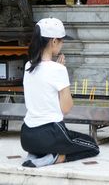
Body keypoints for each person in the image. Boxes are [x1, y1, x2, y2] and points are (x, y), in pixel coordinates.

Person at [20, 17, 99, 167]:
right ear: (54, 41)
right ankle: (55, 158)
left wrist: (58, 71)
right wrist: (62, 75)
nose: (62, 44)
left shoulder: (28, 66)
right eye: (61, 41)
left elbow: (43, 90)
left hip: (27, 136)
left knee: (75, 139)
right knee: (92, 146)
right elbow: (66, 108)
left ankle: (36, 153)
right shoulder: (58, 70)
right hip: (50, 133)